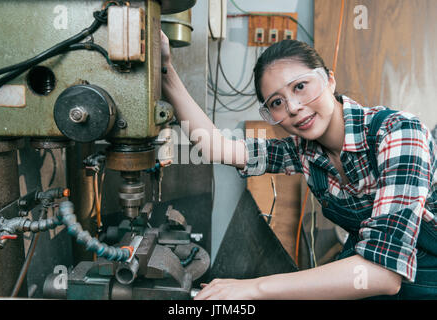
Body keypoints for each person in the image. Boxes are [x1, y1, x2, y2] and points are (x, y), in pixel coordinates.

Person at [160, 31, 437, 300]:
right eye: (277, 102)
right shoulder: (303, 151)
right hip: (364, 272)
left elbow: (383, 274)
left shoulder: (398, 133)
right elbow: (216, 147)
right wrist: (165, 72)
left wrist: (252, 288)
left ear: (329, 80)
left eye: (300, 87)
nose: (293, 107)